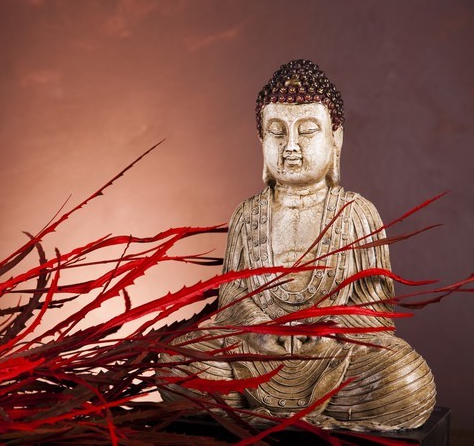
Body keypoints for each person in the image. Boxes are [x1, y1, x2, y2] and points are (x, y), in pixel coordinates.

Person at [159, 60, 435, 431]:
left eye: (306, 131)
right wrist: (260, 328)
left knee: (405, 380)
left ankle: (254, 415)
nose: (290, 146)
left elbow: (376, 311)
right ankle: (274, 414)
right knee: (176, 363)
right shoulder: (247, 214)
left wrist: (323, 328)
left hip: (331, 353)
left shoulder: (356, 213)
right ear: (261, 141)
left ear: (336, 139)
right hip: (256, 352)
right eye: (277, 132)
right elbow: (232, 298)